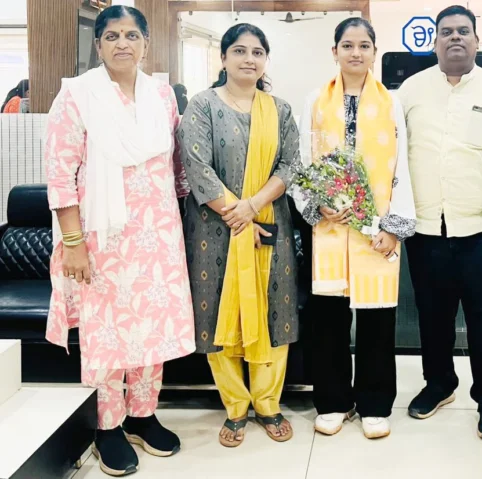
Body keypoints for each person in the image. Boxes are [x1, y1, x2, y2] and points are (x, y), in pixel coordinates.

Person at [44, 6, 194, 477]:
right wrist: (73, 243)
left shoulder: (163, 96)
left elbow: (176, 166)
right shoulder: (76, 96)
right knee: (107, 331)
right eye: (112, 36)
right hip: (101, 236)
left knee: (152, 327)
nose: (122, 44)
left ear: (146, 44)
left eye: (131, 35)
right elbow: (60, 176)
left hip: (158, 234)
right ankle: (107, 426)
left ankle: (143, 416)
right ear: (98, 45)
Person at [293, 17, 416, 440]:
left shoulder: (391, 102)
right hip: (329, 228)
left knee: (377, 318)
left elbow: (402, 166)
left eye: (364, 45)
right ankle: (332, 402)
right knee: (327, 319)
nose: (356, 53)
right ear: (335, 52)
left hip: (374, 225)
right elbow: (302, 160)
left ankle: (374, 404)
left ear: (374, 52)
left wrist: (394, 226)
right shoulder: (314, 100)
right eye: (347, 45)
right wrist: (317, 204)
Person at [178, 23, 299, 448]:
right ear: (223, 57)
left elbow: (290, 165)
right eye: (240, 51)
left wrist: (252, 207)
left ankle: (268, 404)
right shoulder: (202, 106)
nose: (249, 59)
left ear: (265, 60)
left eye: (257, 52)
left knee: (273, 309)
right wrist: (236, 213)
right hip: (215, 228)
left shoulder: (280, 110)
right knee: (218, 310)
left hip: (268, 220)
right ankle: (234, 406)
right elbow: (197, 167)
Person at [397, 5, 482, 440]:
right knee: (432, 315)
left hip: (481, 230)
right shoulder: (411, 90)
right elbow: (395, 155)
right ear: (435, 42)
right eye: (447, 32)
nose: (455, 37)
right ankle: (440, 383)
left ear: (477, 41)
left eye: (464, 31)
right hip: (425, 229)